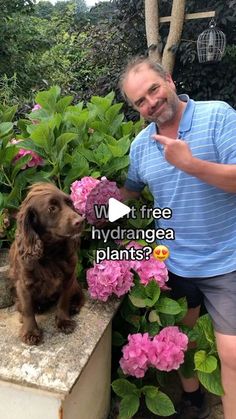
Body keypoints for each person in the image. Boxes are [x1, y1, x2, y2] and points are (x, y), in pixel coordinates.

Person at [119, 55, 236, 419]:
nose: (151, 102)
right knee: (179, 343)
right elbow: (129, 197)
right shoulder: (140, 146)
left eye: (153, 89)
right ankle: (192, 396)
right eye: (140, 100)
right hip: (173, 264)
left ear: (168, 79)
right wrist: (90, 211)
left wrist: (192, 165)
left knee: (232, 356)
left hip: (226, 261)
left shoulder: (218, 116)